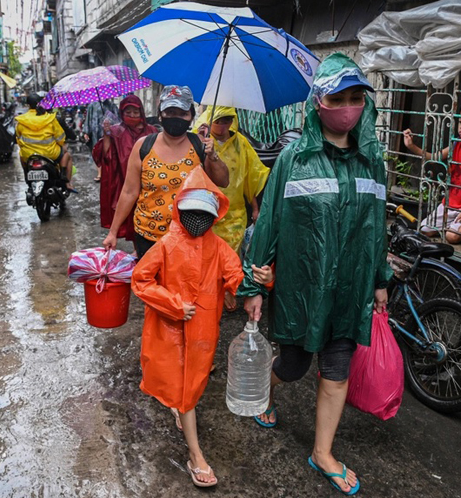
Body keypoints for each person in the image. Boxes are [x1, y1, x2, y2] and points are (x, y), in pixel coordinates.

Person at [239, 53, 392, 496]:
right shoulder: (294, 158)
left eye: (355, 98)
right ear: (318, 103)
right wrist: (254, 285)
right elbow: (268, 222)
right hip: (300, 286)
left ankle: (322, 452)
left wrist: (380, 279)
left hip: (351, 287)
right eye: (337, 98)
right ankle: (266, 393)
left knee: (337, 370)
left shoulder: (372, 161)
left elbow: (377, 227)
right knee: (292, 365)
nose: (347, 106)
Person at [131, 169, 243, 488]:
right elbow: (141, 279)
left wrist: (257, 282)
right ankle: (196, 455)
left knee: (189, 386)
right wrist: (173, 304)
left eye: (204, 215)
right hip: (168, 330)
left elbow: (236, 276)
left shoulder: (218, 248)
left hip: (202, 333)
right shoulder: (166, 245)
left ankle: (180, 412)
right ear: (180, 210)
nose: (197, 221)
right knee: (184, 394)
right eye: (191, 213)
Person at [102, 85, 229, 257]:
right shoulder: (143, 146)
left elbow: (223, 182)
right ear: (160, 114)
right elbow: (129, 192)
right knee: (147, 283)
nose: (175, 118)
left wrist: (213, 156)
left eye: (182, 113)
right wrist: (113, 232)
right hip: (147, 237)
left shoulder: (200, 145)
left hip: (188, 239)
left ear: (191, 116)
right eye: (170, 113)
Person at [192, 105, 270, 310]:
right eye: (218, 120)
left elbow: (249, 177)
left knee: (231, 254)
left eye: (227, 119)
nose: (223, 125)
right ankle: (211, 289)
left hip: (234, 212)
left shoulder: (240, 144)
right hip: (206, 209)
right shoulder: (198, 139)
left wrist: (255, 207)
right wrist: (202, 144)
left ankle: (227, 288)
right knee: (207, 253)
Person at [403, 101, 461, 244]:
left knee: (451, 237)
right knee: (425, 229)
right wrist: (412, 146)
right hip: (452, 202)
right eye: (460, 121)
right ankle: (453, 225)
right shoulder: (456, 143)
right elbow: (434, 157)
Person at [92, 95, 158, 247]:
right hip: (125, 180)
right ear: (122, 113)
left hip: (150, 181)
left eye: (136, 112)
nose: (133, 116)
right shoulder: (117, 131)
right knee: (131, 215)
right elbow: (106, 157)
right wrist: (107, 135)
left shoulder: (152, 131)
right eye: (128, 112)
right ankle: (137, 248)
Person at [15, 93, 75, 191]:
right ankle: (66, 181)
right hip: (50, 153)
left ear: (28, 105)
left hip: (29, 154)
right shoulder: (50, 118)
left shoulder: (21, 121)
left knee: (21, 156)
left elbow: (18, 139)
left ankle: (26, 174)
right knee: (67, 155)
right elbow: (60, 137)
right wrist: (62, 145)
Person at [84, 99, 118, 182]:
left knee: (109, 151)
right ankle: (100, 173)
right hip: (96, 132)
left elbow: (117, 119)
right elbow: (88, 118)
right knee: (98, 151)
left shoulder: (112, 105)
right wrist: (86, 132)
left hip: (108, 132)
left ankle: (109, 172)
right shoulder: (92, 105)